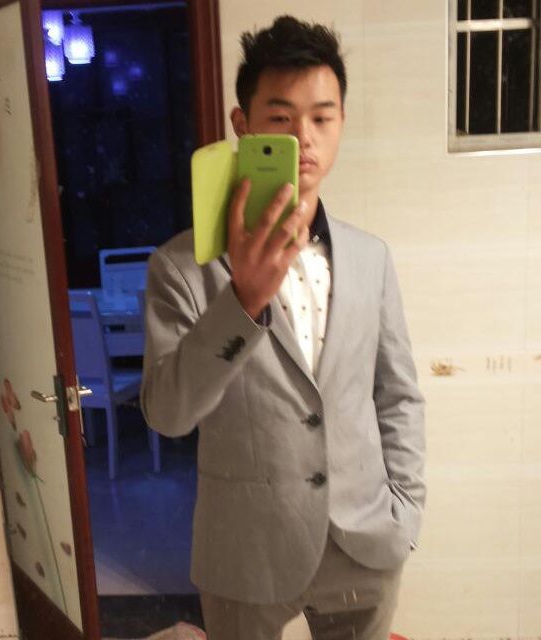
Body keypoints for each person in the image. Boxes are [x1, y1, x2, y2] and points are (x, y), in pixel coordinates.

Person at [140, 15, 425, 640]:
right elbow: (167, 413)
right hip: (246, 554)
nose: (304, 137)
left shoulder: (370, 257)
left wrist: (405, 510)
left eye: (322, 117)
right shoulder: (180, 266)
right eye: (280, 117)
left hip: (364, 541)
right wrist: (242, 301)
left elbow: (398, 395)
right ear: (242, 126)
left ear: (341, 123)